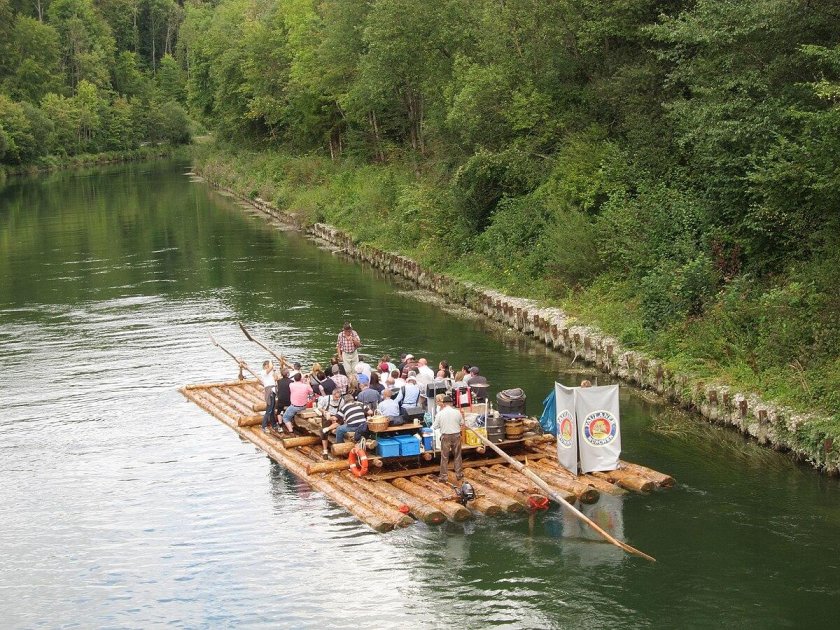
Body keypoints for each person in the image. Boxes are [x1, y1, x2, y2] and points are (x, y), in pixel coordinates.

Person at [433, 394, 464, 482]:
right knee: (457, 455)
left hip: (445, 436)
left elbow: (435, 426)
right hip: (456, 435)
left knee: (444, 456)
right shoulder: (457, 412)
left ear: (444, 403)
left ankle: (443, 476)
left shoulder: (440, 413)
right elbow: (462, 423)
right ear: (451, 403)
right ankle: (459, 474)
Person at [317, 389, 344, 458]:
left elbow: (341, 412)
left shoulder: (341, 400)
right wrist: (324, 412)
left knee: (340, 424)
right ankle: (325, 451)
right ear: (333, 395)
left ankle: (330, 429)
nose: (337, 399)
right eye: (336, 397)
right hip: (327, 416)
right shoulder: (326, 398)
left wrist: (335, 418)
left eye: (339, 397)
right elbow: (319, 407)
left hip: (337, 416)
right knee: (323, 432)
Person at [260, 360, 278, 434]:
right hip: (269, 391)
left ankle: (273, 424)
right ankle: (264, 426)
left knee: (272, 408)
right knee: (269, 409)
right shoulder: (263, 372)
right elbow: (270, 368)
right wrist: (271, 363)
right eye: (267, 365)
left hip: (273, 391)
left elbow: (276, 378)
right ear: (265, 366)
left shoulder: (270, 372)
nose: (269, 366)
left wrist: (274, 371)